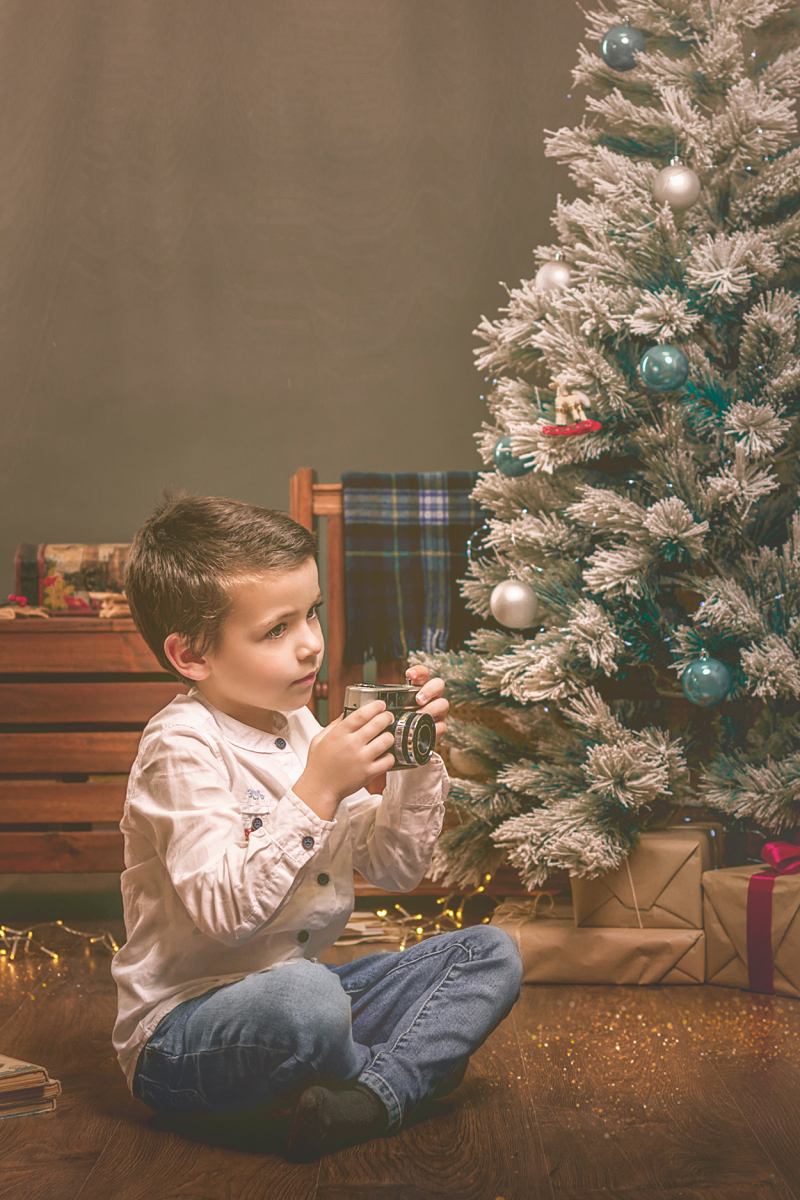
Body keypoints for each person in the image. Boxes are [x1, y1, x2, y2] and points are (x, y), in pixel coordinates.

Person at [111, 492, 523, 1161]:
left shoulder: (299, 724)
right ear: (192, 656)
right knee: (309, 999)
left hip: (307, 1004)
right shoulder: (181, 746)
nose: (309, 643)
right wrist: (318, 787)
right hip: (184, 1035)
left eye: (312, 614)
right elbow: (225, 915)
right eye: (276, 630)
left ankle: (361, 1097)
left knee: (488, 952)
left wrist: (415, 763)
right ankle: (404, 1076)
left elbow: (396, 868)